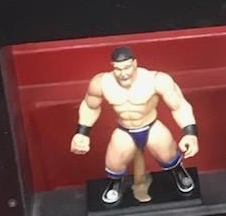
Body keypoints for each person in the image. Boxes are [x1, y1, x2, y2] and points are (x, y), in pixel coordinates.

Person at [71, 45, 199, 206]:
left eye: (127, 68)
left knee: (168, 155)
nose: (123, 74)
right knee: (114, 163)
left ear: (135, 64)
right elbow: (90, 106)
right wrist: (82, 133)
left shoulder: (156, 80)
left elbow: (179, 106)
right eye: (118, 69)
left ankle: (178, 171)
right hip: (124, 130)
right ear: (112, 67)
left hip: (151, 126)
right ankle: (116, 183)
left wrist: (190, 133)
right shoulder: (101, 83)